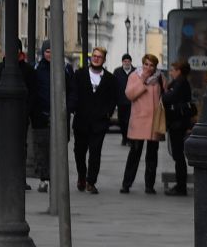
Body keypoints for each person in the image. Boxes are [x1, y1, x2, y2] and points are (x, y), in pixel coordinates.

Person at [68, 48, 119, 194]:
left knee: (95, 153)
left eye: (99, 57)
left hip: (99, 122)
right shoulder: (80, 74)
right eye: (94, 56)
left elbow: (114, 98)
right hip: (81, 120)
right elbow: (73, 92)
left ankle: (91, 181)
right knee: (79, 152)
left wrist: (108, 113)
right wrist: (72, 108)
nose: (96, 59)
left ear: (104, 59)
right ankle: (81, 176)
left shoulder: (110, 78)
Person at [119, 54, 165, 194]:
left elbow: (166, 94)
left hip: (154, 122)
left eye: (151, 65)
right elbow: (129, 95)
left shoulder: (160, 78)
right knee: (134, 153)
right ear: (142, 64)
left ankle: (149, 185)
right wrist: (143, 81)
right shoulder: (135, 76)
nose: (148, 68)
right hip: (139, 120)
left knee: (152, 155)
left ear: (155, 66)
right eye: (146, 64)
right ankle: (126, 184)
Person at [162, 59, 195, 195]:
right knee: (177, 154)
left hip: (178, 123)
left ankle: (181, 186)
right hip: (177, 122)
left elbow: (168, 98)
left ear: (178, 71)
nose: (170, 72)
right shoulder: (180, 82)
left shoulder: (180, 83)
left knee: (178, 154)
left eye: (172, 70)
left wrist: (165, 91)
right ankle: (180, 184)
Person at [29, 44, 53, 191]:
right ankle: (44, 179)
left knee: (55, 149)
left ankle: (54, 177)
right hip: (40, 115)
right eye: (47, 51)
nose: (50, 54)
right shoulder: (37, 69)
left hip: (58, 116)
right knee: (41, 148)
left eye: (52, 51)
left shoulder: (63, 68)